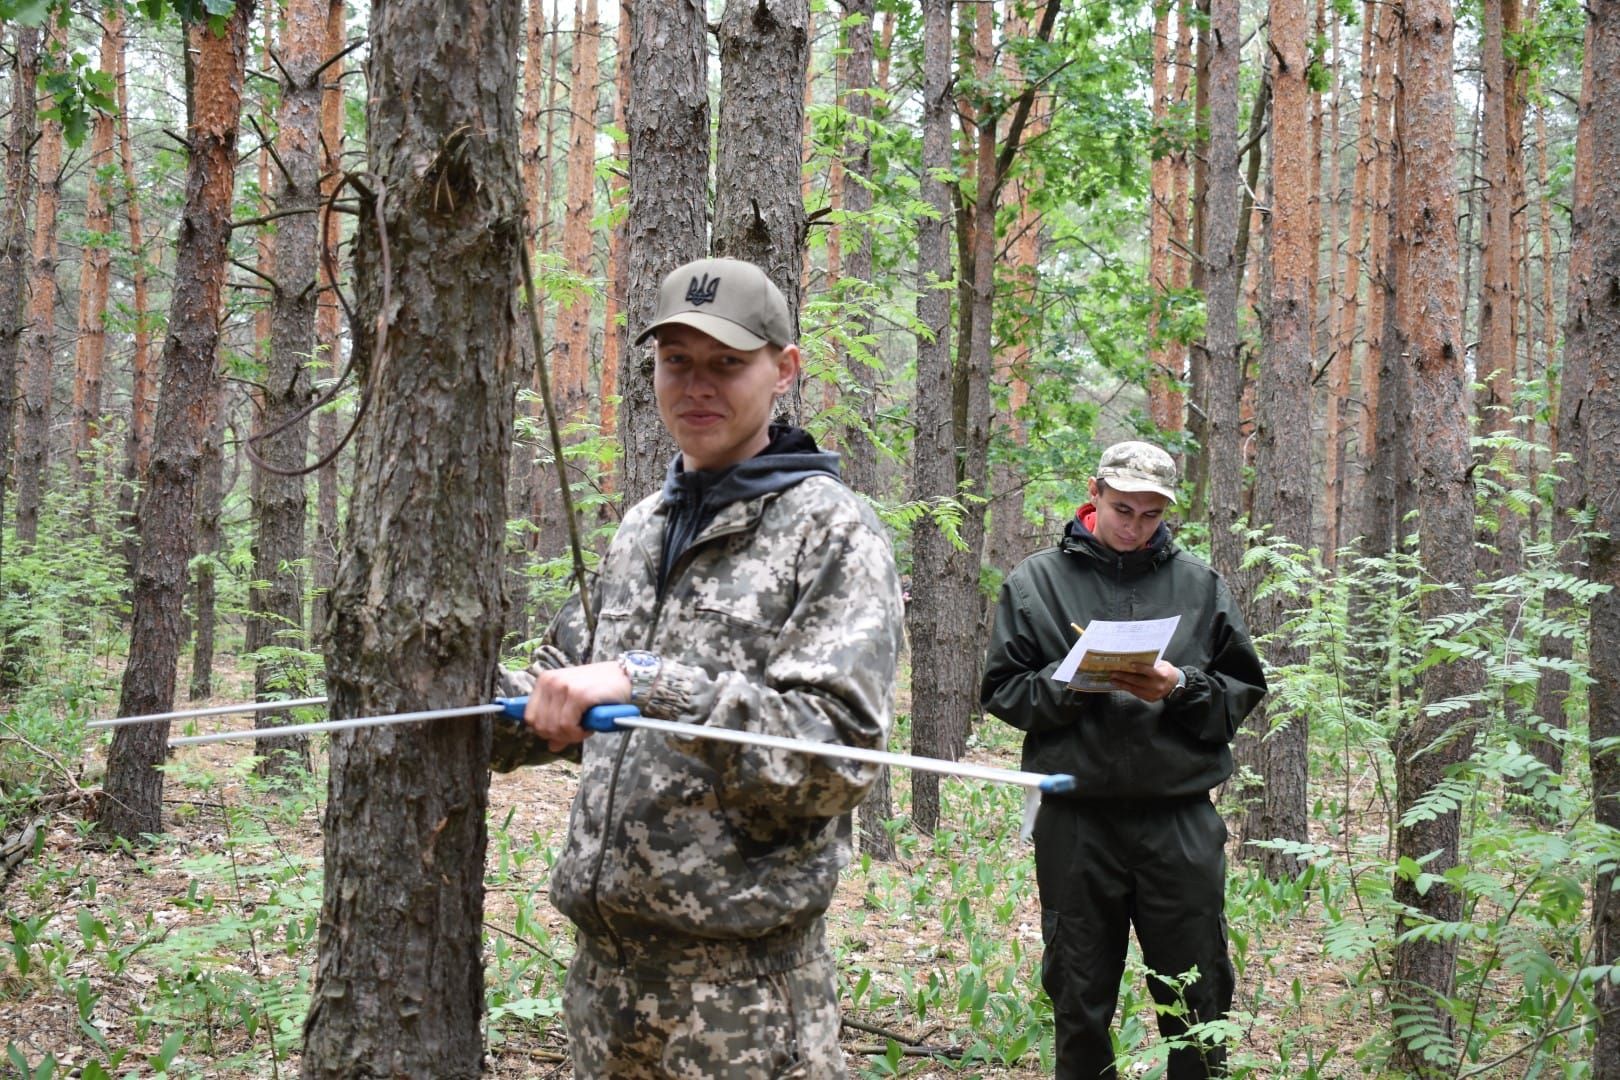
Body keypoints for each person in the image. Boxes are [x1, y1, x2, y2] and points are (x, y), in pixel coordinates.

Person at [492, 256, 905, 1078]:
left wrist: (651, 684)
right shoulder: (643, 527)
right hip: (603, 987)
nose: (697, 386)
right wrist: (457, 696)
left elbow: (836, 757)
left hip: (744, 999)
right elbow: (562, 687)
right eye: (676, 361)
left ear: (784, 369)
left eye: (727, 362)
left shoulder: (831, 531)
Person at [980, 441, 1266, 1080]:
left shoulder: (1199, 585)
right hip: (1076, 820)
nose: (1134, 527)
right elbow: (1003, 691)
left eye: (1150, 515)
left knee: (1197, 994)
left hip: (1179, 818)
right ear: (1095, 495)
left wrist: (1180, 687)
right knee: (1079, 991)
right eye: (1122, 510)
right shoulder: (1036, 582)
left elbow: (1240, 692)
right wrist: (1072, 682)